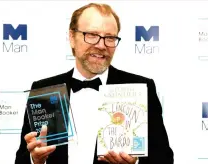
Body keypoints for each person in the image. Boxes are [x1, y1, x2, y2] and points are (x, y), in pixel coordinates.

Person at [15, 3, 174, 164]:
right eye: (91, 34)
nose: (101, 45)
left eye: (110, 37)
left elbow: (164, 159)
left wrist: (135, 163)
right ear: (72, 37)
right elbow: (21, 159)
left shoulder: (141, 89)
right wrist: (34, 159)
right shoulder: (44, 90)